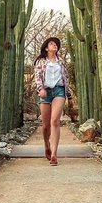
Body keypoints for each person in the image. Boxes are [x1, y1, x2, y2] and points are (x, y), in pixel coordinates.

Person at [33, 37, 72, 166]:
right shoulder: (40, 61)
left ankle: (54, 154)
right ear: (46, 48)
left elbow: (65, 78)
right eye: (51, 43)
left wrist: (69, 94)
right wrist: (40, 89)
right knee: (45, 126)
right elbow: (38, 76)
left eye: (56, 44)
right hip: (45, 92)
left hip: (59, 91)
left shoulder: (61, 61)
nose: (54, 45)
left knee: (55, 120)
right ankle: (46, 145)